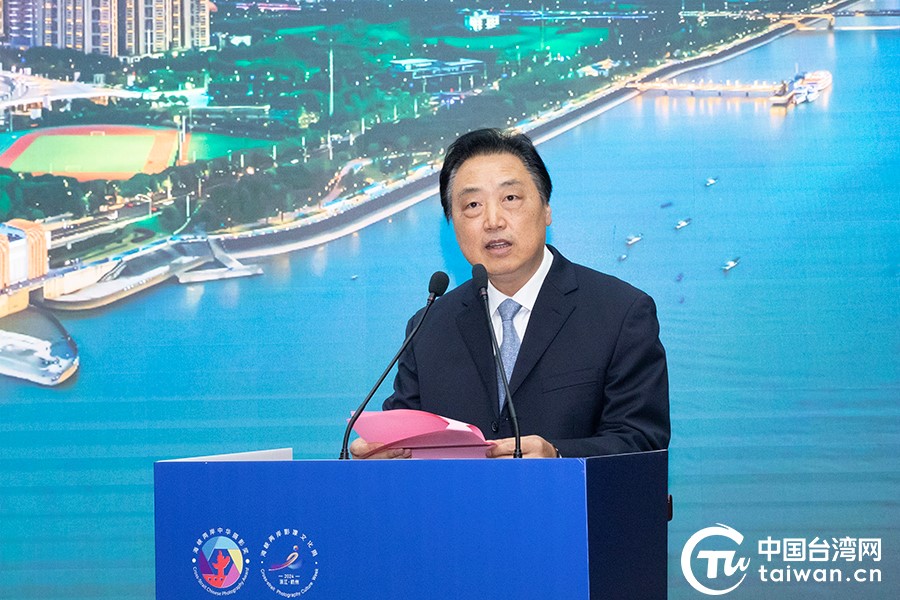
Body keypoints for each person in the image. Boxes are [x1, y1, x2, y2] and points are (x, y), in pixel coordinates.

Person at [351, 128, 669, 459]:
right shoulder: (428, 327)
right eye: (473, 205)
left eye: (511, 199)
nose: (493, 221)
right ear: (453, 223)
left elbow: (643, 443)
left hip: (568, 494)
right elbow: (401, 436)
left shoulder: (620, 313)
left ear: (546, 208)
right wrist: (380, 459)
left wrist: (558, 455)